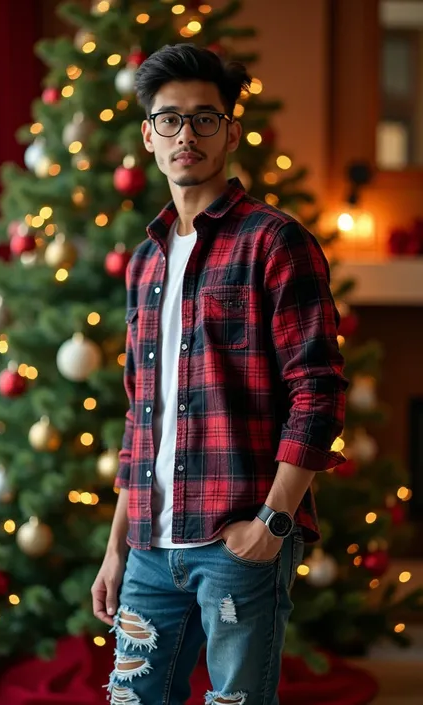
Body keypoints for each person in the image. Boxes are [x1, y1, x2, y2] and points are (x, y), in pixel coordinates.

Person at [92, 43, 348, 705]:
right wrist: (117, 546)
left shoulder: (274, 240)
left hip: (238, 540)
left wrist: (272, 522)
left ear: (231, 131)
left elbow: (317, 390)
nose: (187, 135)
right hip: (149, 545)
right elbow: (139, 415)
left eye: (205, 119)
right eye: (169, 120)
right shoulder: (144, 263)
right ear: (149, 135)